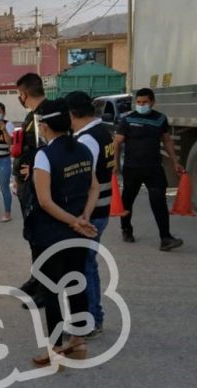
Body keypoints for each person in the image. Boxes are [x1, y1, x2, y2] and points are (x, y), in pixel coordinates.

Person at [24, 99, 99, 366]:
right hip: (79, 231)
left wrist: (73, 222)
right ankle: (78, 342)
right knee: (77, 283)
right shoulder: (83, 150)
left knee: (52, 289)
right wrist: (84, 218)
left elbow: (45, 202)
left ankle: (54, 349)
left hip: (52, 233)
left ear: (44, 126)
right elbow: (94, 188)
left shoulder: (44, 155)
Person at [66, 91, 114, 336]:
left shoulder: (86, 140)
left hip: (90, 212)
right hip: (101, 209)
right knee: (88, 263)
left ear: (72, 114)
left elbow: (85, 179)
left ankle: (92, 319)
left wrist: (80, 215)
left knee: (84, 266)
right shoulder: (103, 132)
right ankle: (93, 317)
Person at [115, 87, 186, 251]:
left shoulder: (160, 119)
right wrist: (116, 164)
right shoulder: (128, 119)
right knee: (127, 200)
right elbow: (117, 142)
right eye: (138, 102)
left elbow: (167, 141)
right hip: (132, 168)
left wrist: (175, 162)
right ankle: (126, 229)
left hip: (154, 168)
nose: (141, 105)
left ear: (152, 102)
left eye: (144, 102)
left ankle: (165, 238)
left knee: (159, 201)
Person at [13, 73, 47, 306]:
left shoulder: (44, 115)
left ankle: (45, 289)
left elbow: (46, 149)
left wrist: (33, 171)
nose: (19, 98)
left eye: (19, 94)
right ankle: (36, 278)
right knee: (33, 237)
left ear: (24, 93)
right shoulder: (31, 116)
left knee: (41, 238)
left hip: (38, 186)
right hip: (28, 185)